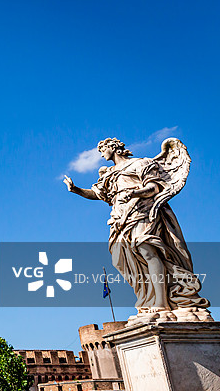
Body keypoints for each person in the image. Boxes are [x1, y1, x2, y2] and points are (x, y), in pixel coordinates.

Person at [63, 138, 211, 323]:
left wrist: (134, 193)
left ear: (112, 148)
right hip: (120, 218)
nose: (101, 155)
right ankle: (148, 299)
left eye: (103, 150)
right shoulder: (109, 173)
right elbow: (98, 194)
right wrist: (76, 189)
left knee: (147, 251)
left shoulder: (141, 163)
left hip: (143, 211)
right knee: (122, 259)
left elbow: (153, 188)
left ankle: (161, 303)